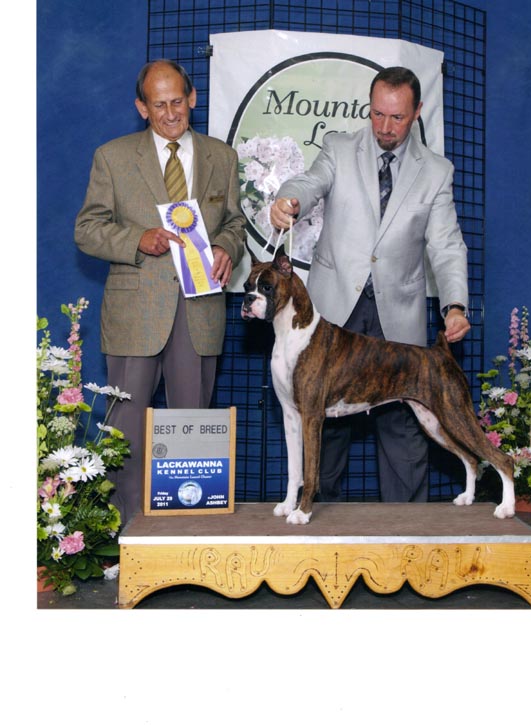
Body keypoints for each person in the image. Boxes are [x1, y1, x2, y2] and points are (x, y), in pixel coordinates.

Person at [270, 66, 470, 504]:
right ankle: (317, 525)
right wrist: (290, 199)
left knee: (405, 432)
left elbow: (446, 244)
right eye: (377, 113)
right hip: (333, 311)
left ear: (417, 112)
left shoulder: (436, 171)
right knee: (323, 430)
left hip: (397, 315)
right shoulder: (339, 148)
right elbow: (309, 182)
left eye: (396, 117)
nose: (384, 126)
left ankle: (407, 533)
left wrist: (455, 304)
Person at [75, 59, 246, 525]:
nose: (170, 114)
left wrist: (227, 247)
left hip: (200, 309)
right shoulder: (112, 156)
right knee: (125, 433)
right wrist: (137, 239)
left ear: (192, 98)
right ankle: (123, 532)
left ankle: (185, 535)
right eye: (159, 105)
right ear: (141, 108)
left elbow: (235, 223)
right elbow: (87, 230)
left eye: (177, 102)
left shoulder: (222, 157)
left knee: (192, 430)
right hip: (135, 313)